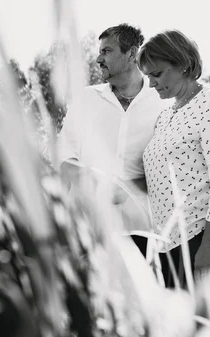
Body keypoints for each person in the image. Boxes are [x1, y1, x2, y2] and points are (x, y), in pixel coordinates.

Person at [137, 29, 210, 287]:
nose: (151, 84)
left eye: (157, 74)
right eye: (148, 76)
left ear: (183, 64)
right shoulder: (165, 116)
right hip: (168, 245)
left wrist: (209, 246)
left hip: (201, 239)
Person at [57, 23, 168, 256]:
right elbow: (64, 159)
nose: (98, 59)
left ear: (132, 54)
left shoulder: (163, 103)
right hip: (87, 229)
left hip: (143, 233)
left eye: (106, 51)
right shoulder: (85, 99)